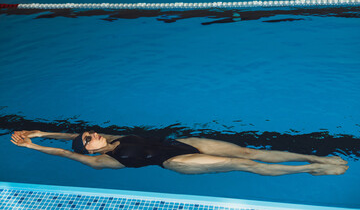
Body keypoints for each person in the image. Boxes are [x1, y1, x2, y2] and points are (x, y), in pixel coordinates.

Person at [10, 130, 349, 176]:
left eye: (89, 133)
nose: (92, 134)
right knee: (240, 163)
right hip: (175, 160)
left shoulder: (110, 137)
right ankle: (310, 168)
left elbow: (69, 136)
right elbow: (64, 152)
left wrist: (43, 130)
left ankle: (319, 158)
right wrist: (36, 145)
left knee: (248, 150)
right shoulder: (101, 158)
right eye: (88, 138)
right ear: (89, 150)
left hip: (187, 143)